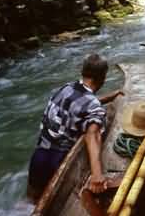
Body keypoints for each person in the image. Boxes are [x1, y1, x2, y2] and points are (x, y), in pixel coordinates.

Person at [27, 54, 123, 203]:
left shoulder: (65, 88)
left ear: (83, 72)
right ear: (102, 78)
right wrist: (97, 174)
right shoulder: (93, 106)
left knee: (32, 202)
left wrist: (110, 97)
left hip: (39, 157)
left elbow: (79, 105)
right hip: (58, 161)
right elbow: (93, 134)